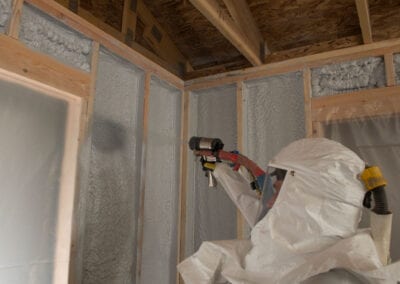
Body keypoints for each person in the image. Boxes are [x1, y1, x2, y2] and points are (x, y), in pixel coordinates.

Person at [178, 138, 400, 283]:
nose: (272, 195)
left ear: (310, 194)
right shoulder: (296, 240)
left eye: (280, 185)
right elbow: (259, 214)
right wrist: (222, 169)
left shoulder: (332, 279)